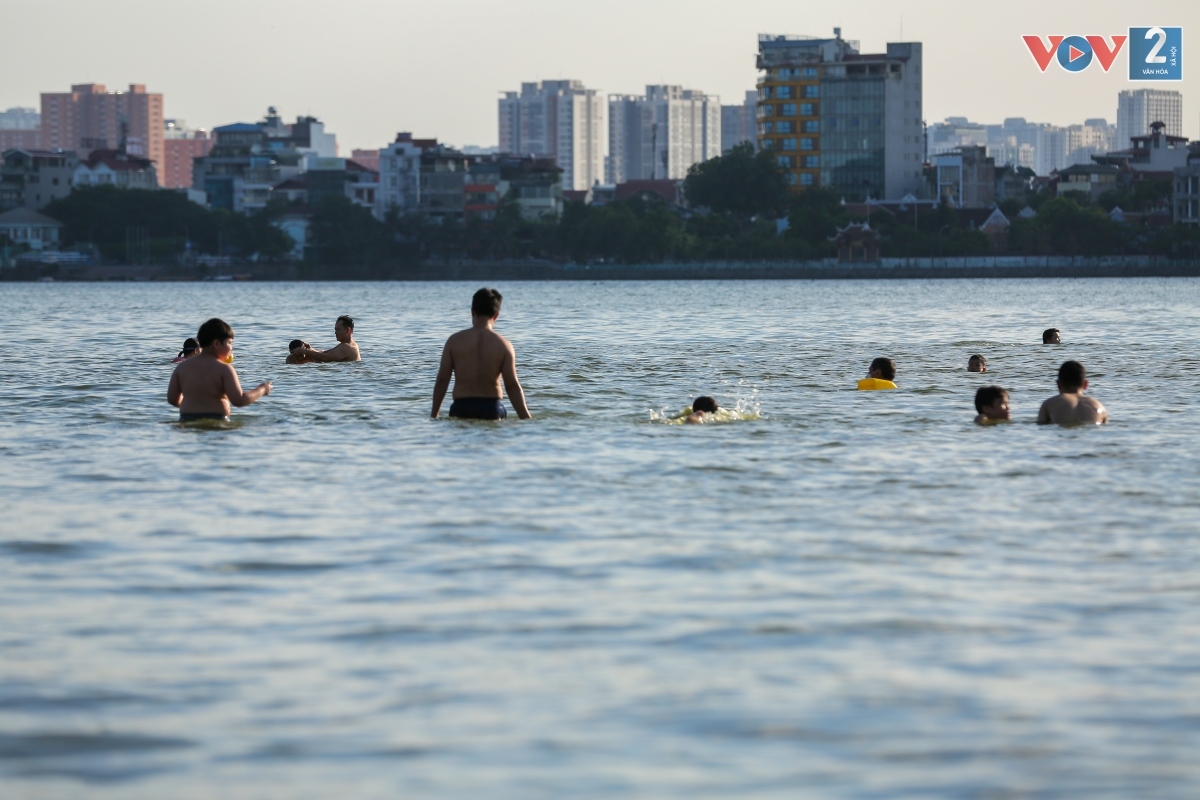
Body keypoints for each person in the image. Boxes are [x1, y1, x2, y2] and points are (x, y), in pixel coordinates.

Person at [431, 288, 531, 420]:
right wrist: (526, 417)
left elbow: (442, 379)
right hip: (492, 409)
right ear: (496, 315)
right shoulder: (504, 345)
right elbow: (512, 385)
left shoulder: (454, 341)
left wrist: (434, 414)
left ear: (472, 311)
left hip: (461, 408)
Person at [167, 318, 272, 422]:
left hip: (186, 420)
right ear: (216, 344)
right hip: (216, 421)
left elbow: (172, 399)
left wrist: (192, 404)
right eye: (229, 343)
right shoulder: (224, 369)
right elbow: (239, 400)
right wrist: (262, 389)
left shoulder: (181, 367)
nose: (231, 348)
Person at [1037, 360, 1108, 425]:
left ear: (1058, 384)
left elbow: (1041, 425)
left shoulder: (1049, 404)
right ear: (1086, 384)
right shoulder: (1099, 406)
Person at [292, 315, 361, 363]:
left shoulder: (348, 347)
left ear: (348, 330)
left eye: (338, 330)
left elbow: (326, 358)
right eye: (335, 330)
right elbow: (325, 353)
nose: (335, 332)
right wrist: (310, 349)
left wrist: (305, 352)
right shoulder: (343, 345)